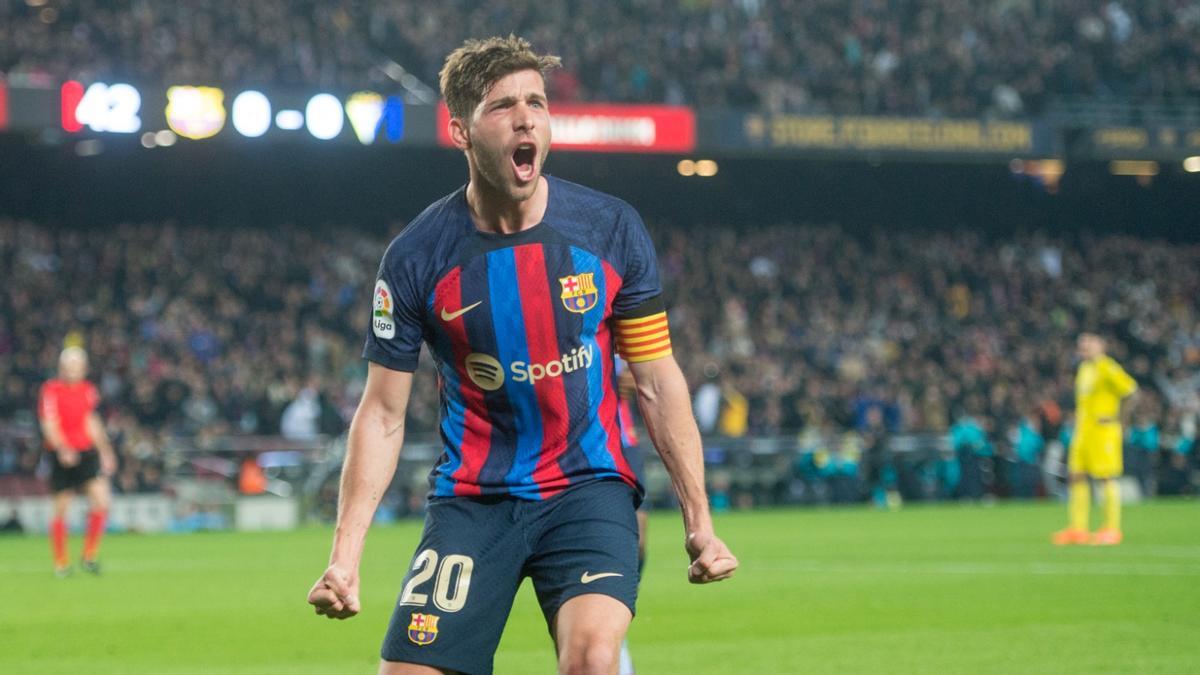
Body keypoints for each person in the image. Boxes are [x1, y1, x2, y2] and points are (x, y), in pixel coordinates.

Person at [307, 35, 737, 675]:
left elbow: (655, 379)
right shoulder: (415, 257)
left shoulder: (611, 228)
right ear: (461, 131)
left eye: (536, 101)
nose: (526, 118)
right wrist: (345, 558)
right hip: (473, 499)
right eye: (503, 106)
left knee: (592, 660)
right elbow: (383, 414)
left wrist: (699, 521)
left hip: (587, 488)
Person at [38, 346, 116, 575]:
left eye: (77, 365)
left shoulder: (88, 390)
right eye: (69, 365)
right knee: (62, 507)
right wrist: (62, 448)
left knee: (102, 501)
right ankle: (61, 562)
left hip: (86, 451)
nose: (73, 369)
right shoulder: (51, 390)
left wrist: (105, 451)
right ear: (61, 367)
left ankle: (88, 556)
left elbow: (91, 421)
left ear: (84, 368)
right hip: (62, 453)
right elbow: (49, 422)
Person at [1053, 333, 1138, 546]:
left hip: (1103, 431)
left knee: (1105, 477)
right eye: (1081, 345)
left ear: (1101, 345)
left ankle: (1111, 528)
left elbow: (1132, 392)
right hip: (1083, 431)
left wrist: (1120, 421)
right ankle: (1078, 529)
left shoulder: (1108, 367)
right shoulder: (1084, 368)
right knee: (1076, 476)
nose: (1084, 348)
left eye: (1088, 343)